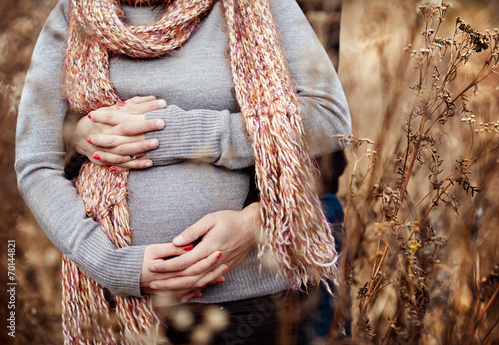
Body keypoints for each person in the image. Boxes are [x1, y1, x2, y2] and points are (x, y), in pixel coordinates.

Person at [15, 0, 350, 343]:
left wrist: (182, 134)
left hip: (257, 295)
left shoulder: (257, 6)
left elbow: (329, 118)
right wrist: (112, 266)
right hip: (124, 307)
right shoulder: (73, 15)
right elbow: (36, 162)